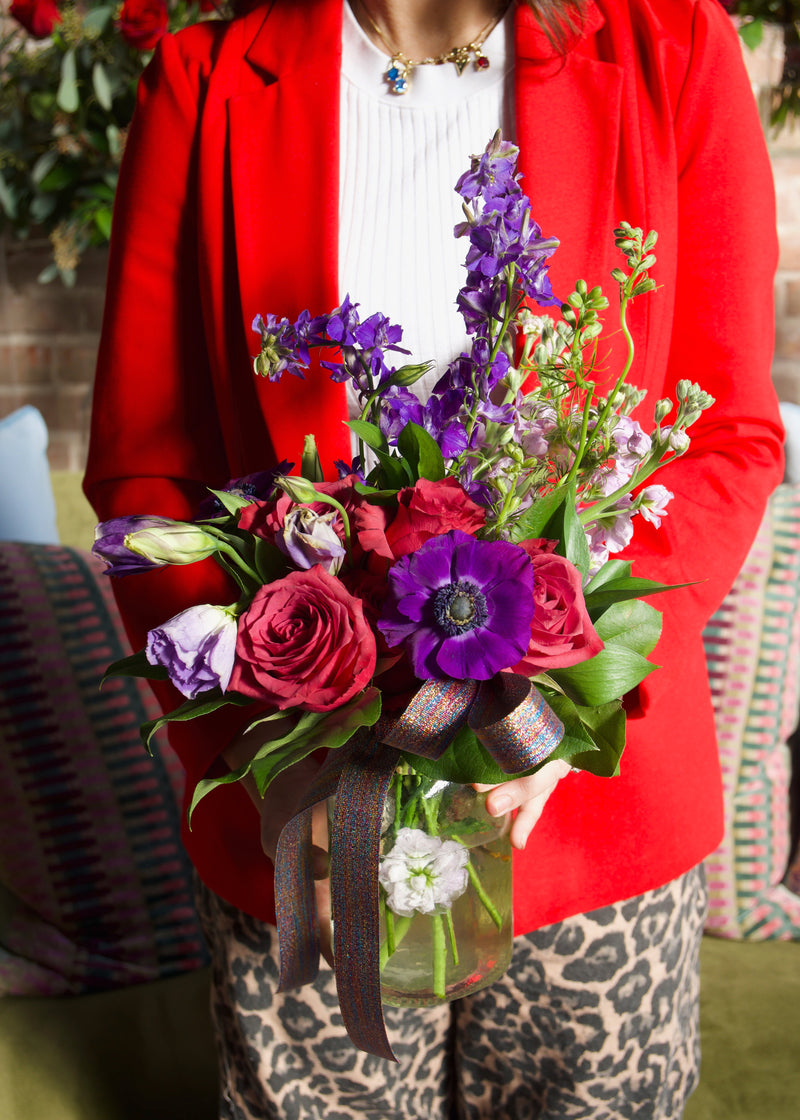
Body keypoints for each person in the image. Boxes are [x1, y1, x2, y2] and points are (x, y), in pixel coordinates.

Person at [84, 1, 785, 1116]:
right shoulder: (205, 80)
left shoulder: (669, 49)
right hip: (304, 822)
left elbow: (726, 438)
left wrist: (561, 704)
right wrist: (272, 760)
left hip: (588, 814)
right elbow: (141, 480)